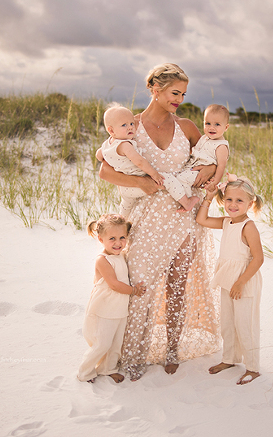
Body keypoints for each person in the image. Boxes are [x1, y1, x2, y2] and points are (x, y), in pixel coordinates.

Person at [98, 63, 221, 380]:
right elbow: (104, 170)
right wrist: (140, 183)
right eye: (173, 92)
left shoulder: (188, 127)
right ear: (154, 88)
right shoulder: (129, 126)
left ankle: (172, 350)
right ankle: (133, 352)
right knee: (141, 287)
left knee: (178, 285)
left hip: (183, 220)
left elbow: (210, 159)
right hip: (146, 221)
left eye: (183, 93)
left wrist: (207, 174)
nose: (179, 98)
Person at [196, 175, 264, 385]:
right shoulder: (227, 222)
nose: (233, 205)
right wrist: (208, 198)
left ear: (250, 204)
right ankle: (230, 359)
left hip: (244, 280)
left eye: (239, 201)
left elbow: (258, 258)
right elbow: (202, 220)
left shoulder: (248, 227)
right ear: (222, 200)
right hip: (227, 278)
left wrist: (241, 282)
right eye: (229, 200)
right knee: (228, 322)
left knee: (245, 323)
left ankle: (253, 367)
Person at [96, 104, 200, 217]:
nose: (130, 127)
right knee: (168, 180)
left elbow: (99, 156)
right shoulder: (125, 145)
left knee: (126, 207)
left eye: (131, 123)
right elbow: (139, 161)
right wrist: (154, 174)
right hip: (139, 183)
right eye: (124, 125)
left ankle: (122, 222)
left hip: (125, 188)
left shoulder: (107, 145)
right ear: (111, 130)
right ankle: (186, 202)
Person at [78, 214, 146, 383]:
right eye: (112, 238)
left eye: (122, 238)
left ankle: (108, 368)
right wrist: (134, 291)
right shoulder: (103, 260)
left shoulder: (121, 256)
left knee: (116, 343)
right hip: (105, 308)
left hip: (120, 308)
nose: (118, 243)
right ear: (101, 239)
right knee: (102, 343)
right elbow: (114, 284)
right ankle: (85, 372)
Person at [185, 104, 231, 192]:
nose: (211, 127)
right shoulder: (204, 138)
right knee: (177, 180)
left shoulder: (221, 146)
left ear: (226, 127)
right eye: (208, 123)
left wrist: (214, 182)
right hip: (191, 168)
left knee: (178, 181)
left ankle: (186, 201)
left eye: (217, 124)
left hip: (200, 175)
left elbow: (221, 166)